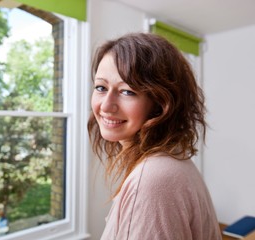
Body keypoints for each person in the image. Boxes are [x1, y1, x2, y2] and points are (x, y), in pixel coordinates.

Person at [88, 33, 222, 240]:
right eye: (101, 88)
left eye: (127, 91)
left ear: (161, 102)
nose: (105, 105)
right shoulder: (170, 161)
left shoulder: (152, 180)